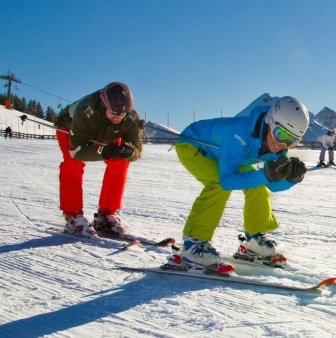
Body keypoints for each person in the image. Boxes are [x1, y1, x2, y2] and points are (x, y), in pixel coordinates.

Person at [173, 95, 309, 273]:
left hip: (232, 156)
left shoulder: (277, 146)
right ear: (269, 122)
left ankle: (254, 240)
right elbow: (227, 180)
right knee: (218, 184)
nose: (282, 144)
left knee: (258, 184)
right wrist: (266, 174)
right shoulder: (239, 132)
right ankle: (193, 244)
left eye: (292, 141)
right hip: (194, 146)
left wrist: (291, 179)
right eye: (280, 134)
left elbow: (272, 184)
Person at [55, 82, 142, 236]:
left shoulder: (129, 117)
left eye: (122, 115)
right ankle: (72, 216)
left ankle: (106, 214)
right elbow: (76, 151)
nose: (118, 118)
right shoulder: (84, 110)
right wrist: (103, 151)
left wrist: (129, 151)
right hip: (71, 129)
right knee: (72, 163)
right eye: (114, 113)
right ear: (104, 105)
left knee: (121, 160)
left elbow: (137, 148)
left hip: (105, 131)